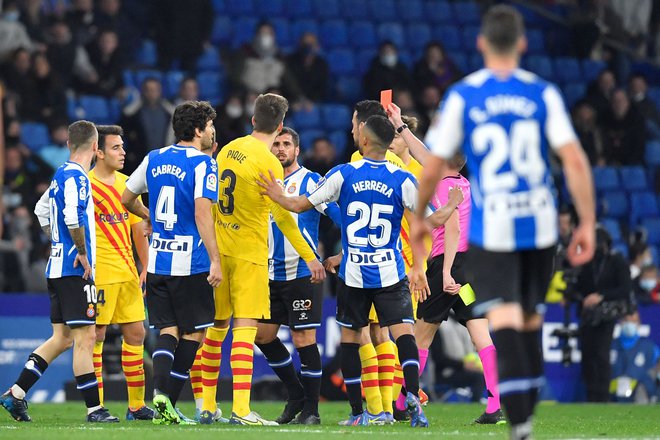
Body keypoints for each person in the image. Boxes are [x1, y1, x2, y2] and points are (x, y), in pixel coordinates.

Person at [410, 6, 595, 439]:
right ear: (523, 44)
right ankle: (517, 413)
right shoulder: (543, 92)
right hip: (542, 230)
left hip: (494, 232)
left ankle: (521, 424)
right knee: (527, 324)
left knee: (507, 324)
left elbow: (433, 164)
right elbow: (574, 160)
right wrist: (585, 221)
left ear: (480, 44)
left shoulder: (463, 95)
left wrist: (419, 217)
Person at [260, 115, 464, 428]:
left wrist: (277, 195)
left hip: (354, 273)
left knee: (351, 339)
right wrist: (450, 205)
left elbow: (301, 205)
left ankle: (359, 413)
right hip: (390, 270)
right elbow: (431, 221)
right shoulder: (402, 178)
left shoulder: (343, 173)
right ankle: (412, 400)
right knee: (403, 336)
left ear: (365, 141)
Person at [197, 93, 325, 426]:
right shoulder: (268, 163)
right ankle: (241, 409)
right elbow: (283, 217)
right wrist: (311, 255)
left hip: (219, 252)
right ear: (279, 125)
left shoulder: (227, 149)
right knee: (245, 328)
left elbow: (210, 200)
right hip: (250, 256)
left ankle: (207, 406)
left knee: (216, 328)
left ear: (253, 119)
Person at [1, 120, 119, 423]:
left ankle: (15, 394)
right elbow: (70, 215)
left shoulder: (59, 176)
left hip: (57, 267)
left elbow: (42, 211)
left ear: (69, 145)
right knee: (86, 338)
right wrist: (79, 251)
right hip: (74, 270)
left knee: (63, 338)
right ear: (95, 147)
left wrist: (58, 244)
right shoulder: (77, 178)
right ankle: (95, 409)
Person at [122, 100, 222, 425]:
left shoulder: (154, 158)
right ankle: (168, 399)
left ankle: (162, 401)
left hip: (158, 261)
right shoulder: (204, 164)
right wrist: (216, 260)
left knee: (168, 330)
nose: (212, 132)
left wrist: (148, 215)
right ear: (197, 130)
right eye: (209, 126)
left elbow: (125, 198)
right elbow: (202, 212)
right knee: (194, 335)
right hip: (190, 262)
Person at [252, 127, 341, 426]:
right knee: (262, 336)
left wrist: (344, 252)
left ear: (297, 150)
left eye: (286, 144)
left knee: (303, 338)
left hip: (303, 272)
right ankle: (296, 394)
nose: (280, 149)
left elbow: (338, 216)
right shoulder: (263, 180)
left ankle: (311, 410)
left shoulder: (312, 181)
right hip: (267, 272)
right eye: (276, 144)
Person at [88, 125, 154, 420]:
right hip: (100, 274)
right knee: (96, 335)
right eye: (115, 147)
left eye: (122, 147)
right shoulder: (86, 185)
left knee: (136, 333)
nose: (123, 152)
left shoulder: (128, 184)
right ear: (98, 152)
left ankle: (136, 405)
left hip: (128, 272)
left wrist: (146, 265)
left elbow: (138, 228)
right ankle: (98, 406)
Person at [576, 226, 633, 402]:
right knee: (587, 353)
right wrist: (581, 298)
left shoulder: (617, 262)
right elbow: (578, 286)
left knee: (601, 354)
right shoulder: (586, 264)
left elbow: (625, 289)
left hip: (607, 314)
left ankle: (602, 395)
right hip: (587, 314)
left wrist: (601, 296)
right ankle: (591, 394)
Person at [610, 310, 660, 403]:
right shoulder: (610, 345)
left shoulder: (649, 347)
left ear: (639, 323)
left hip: (641, 393)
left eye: (633, 321)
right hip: (612, 394)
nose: (629, 324)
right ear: (620, 322)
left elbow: (657, 367)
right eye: (626, 320)